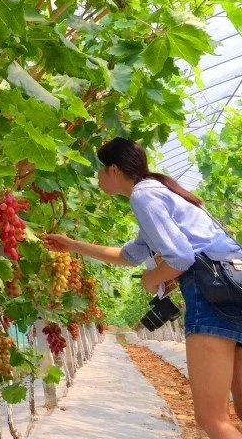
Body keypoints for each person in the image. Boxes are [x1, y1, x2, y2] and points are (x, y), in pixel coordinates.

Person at [43, 137, 242, 439]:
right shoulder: (160, 192)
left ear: (113, 169)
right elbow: (128, 256)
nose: (96, 178)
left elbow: (181, 257)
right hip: (234, 284)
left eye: (98, 171)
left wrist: (153, 280)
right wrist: (72, 245)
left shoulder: (143, 196)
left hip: (213, 295)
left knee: (212, 419)